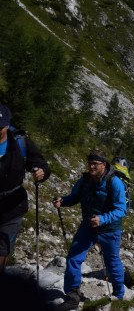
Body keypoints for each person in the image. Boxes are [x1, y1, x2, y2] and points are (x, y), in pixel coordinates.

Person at [52, 150, 126, 310]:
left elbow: (121, 209)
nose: (91, 166)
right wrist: (62, 201)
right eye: (90, 163)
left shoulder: (114, 182)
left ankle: (119, 294)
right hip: (88, 226)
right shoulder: (84, 180)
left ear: (104, 165)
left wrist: (103, 218)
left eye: (95, 164)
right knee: (73, 257)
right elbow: (74, 197)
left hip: (109, 228)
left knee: (112, 261)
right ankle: (72, 295)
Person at [0, 104, 50, 275]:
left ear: (7, 124)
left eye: (1, 126)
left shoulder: (20, 141)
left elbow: (39, 163)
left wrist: (41, 172)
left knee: (2, 251)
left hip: (12, 207)